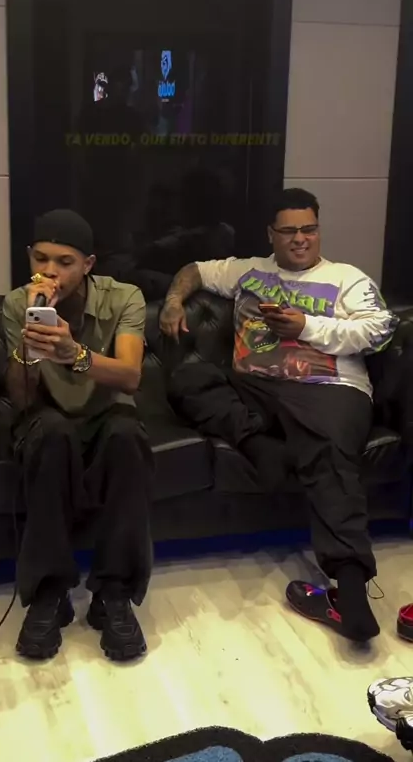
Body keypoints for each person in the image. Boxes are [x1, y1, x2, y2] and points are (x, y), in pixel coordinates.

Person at [159, 187, 398, 643]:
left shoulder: (347, 278)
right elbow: (194, 270)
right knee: (188, 380)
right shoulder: (249, 271)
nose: (300, 239)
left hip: (328, 388)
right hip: (257, 389)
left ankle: (349, 592)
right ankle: (259, 445)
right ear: (271, 234)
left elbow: (379, 330)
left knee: (331, 460)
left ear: (319, 230)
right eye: (289, 231)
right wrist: (173, 301)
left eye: (309, 229)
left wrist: (306, 326)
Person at [2, 209, 153, 662]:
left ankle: (114, 593)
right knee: (51, 434)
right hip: (49, 415)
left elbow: (130, 377)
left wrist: (74, 354)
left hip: (107, 413)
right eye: (41, 258)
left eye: (64, 262)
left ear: (87, 264)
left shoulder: (124, 297)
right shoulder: (18, 303)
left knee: (127, 437)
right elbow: (21, 397)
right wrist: (28, 349)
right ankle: (49, 594)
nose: (50, 271)